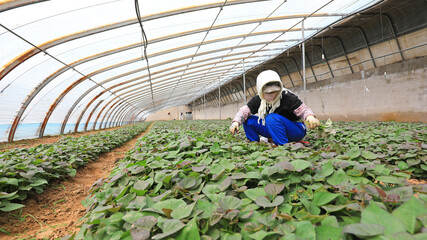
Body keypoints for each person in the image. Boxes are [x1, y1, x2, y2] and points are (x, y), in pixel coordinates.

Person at [229, 70, 319, 146]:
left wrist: (310, 117)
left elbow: (303, 110)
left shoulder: (287, 97)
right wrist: (236, 122)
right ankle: (254, 144)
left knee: (271, 118)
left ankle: (282, 146)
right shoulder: (259, 99)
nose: (271, 96)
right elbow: (244, 111)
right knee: (248, 121)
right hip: (273, 128)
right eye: (267, 93)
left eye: (274, 92)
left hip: (295, 130)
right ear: (261, 91)